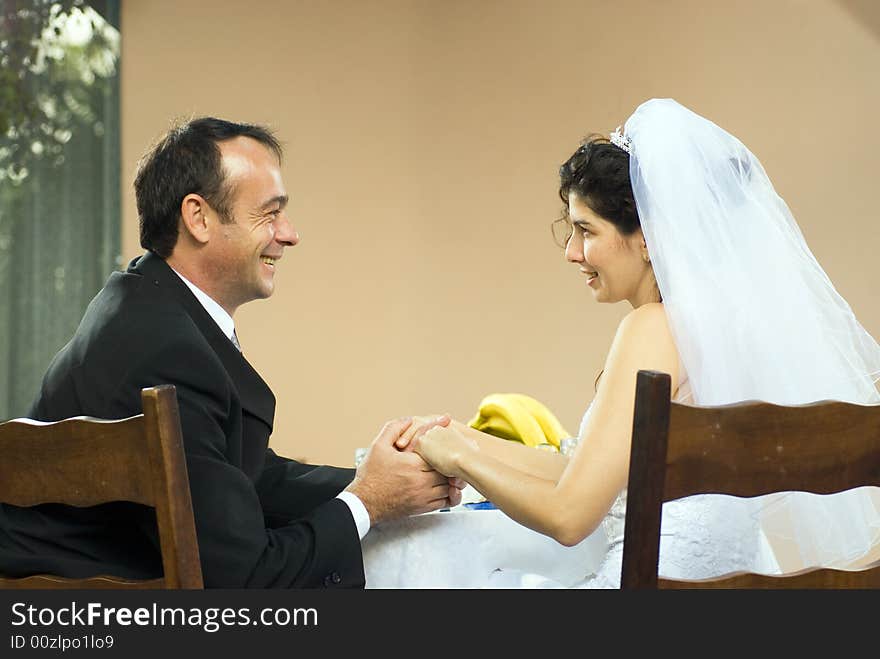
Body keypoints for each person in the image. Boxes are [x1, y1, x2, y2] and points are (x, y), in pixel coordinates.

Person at [399, 98, 880, 587]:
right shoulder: (727, 332)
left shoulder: (653, 327)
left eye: (585, 230)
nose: (571, 253)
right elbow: (596, 478)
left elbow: (570, 515)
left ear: (649, 236)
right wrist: (462, 437)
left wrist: (459, 461)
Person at [0, 117, 462, 588]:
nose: (289, 234)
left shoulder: (145, 304)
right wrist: (368, 502)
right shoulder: (166, 350)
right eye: (269, 213)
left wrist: (385, 479)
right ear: (198, 217)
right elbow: (244, 583)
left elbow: (243, 477)